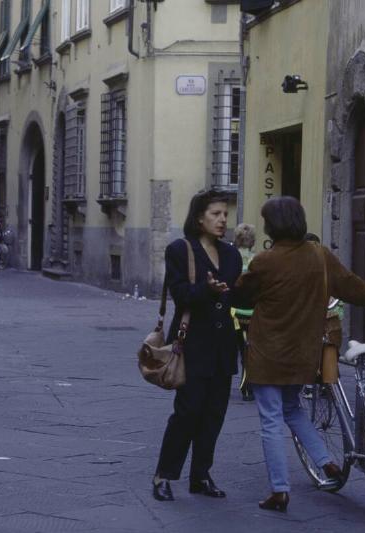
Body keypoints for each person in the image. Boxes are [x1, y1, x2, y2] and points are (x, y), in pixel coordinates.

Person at [234, 196, 365, 513]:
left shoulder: (265, 261)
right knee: (293, 409)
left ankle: (279, 490)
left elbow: (241, 293)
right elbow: (357, 290)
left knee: (270, 420)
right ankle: (326, 463)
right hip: (303, 354)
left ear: (273, 226)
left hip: (268, 353)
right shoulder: (320, 255)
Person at [152, 190, 243, 502]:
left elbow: (238, 297)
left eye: (225, 215)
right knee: (187, 412)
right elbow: (181, 295)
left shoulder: (232, 254)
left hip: (223, 346)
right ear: (200, 217)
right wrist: (207, 289)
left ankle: (201, 475)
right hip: (191, 344)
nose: (222, 220)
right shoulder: (181, 250)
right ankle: (164, 475)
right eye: (216, 214)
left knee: (214, 413)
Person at [232, 223, 256, 401]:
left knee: (228, 348)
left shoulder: (230, 258)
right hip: (252, 312)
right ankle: (247, 387)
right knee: (247, 350)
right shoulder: (256, 260)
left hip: (232, 311)